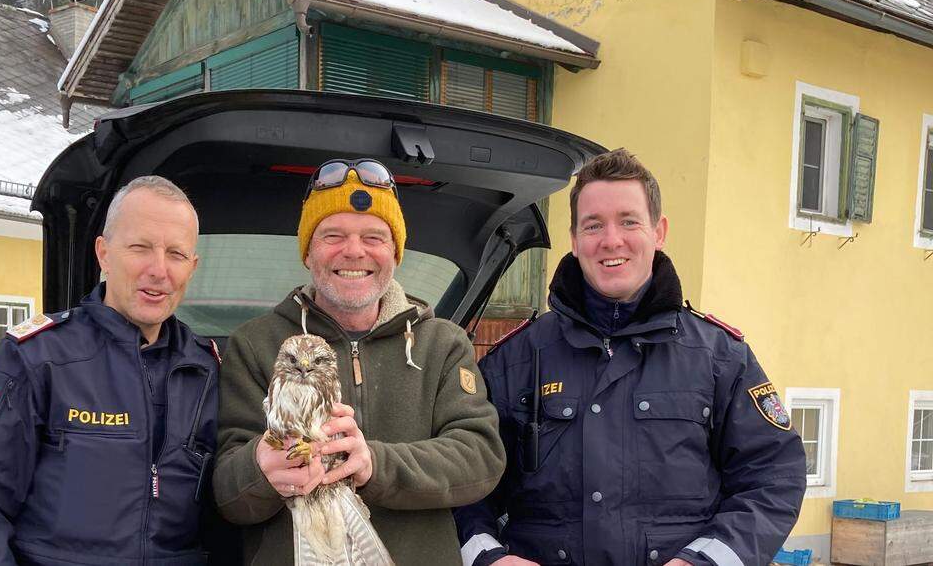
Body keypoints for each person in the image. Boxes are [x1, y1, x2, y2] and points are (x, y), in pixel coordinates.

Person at [454, 148, 807, 566]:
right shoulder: (515, 360)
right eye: (593, 225)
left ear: (659, 231)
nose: (611, 240)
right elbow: (462, 484)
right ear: (574, 239)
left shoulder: (719, 358)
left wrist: (707, 561)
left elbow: (773, 477)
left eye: (628, 221)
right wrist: (488, 557)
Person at [214, 158, 506, 564]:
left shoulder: (442, 344)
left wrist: (374, 463)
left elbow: (481, 458)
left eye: (374, 237)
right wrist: (261, 470)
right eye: (332, 234)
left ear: (395, 252)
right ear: (308, 252)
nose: (354, 251)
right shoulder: (255, 344)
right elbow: (228, 496)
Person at [0, 176, 219, 565]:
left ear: (193, 266)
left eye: (176, 254)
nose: (159, 270)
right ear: (104, 253)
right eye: (140, 248)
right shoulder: (37, 359)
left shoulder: (206, 371)